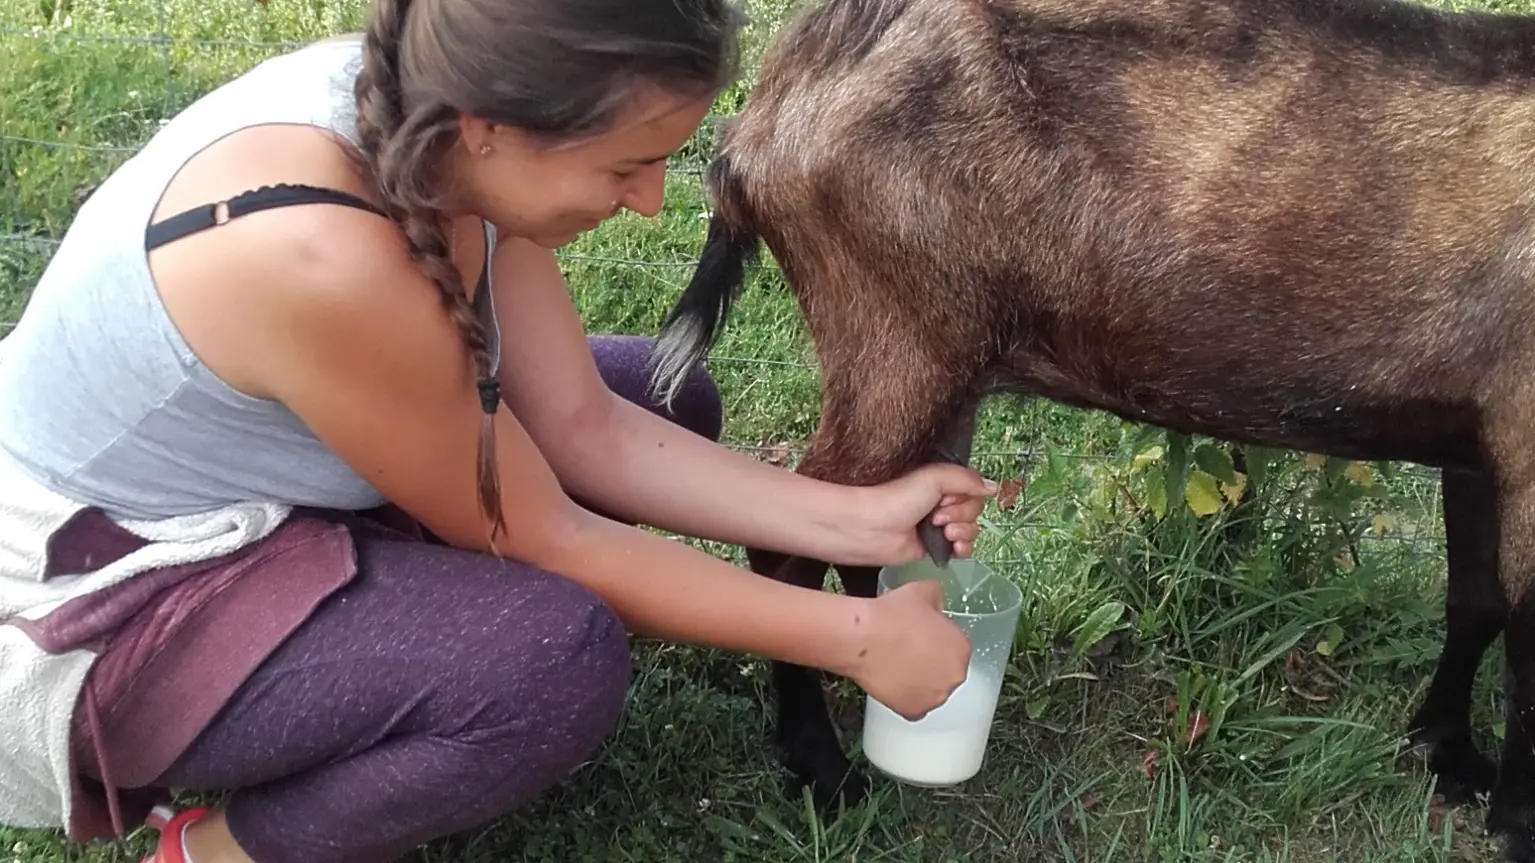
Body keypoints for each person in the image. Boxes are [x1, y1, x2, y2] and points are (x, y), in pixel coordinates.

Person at [0, 0, 1000, 860]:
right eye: (627, 165)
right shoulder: (320, 255)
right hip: (105, 596)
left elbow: (583, 428)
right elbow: (543, 533)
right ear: (490, 129)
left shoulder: (436, 115)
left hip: (280, 474)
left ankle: (390, 627)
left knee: (666, 400)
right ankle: (213, 845)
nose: (649, 204)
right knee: (550, 662)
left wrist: (859, 520)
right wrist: (856, 635)